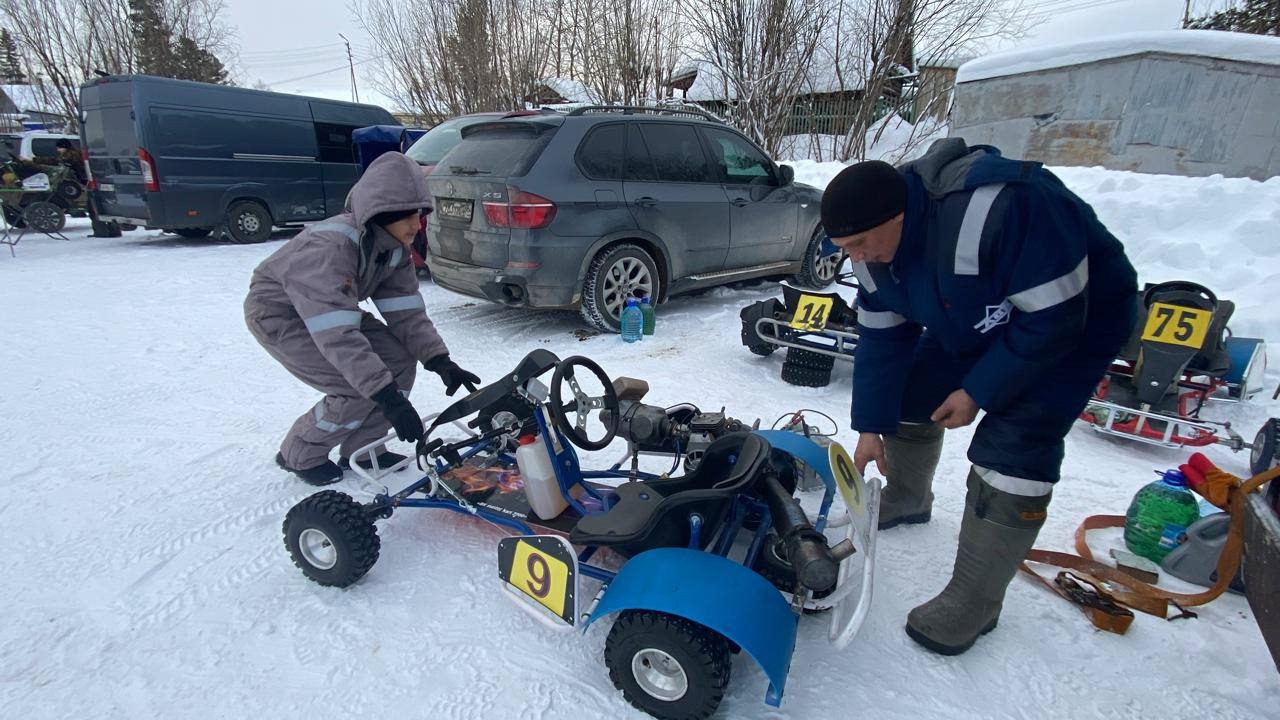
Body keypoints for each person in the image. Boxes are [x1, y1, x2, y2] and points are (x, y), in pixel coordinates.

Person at [821, 138, 1138, 655]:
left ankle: (976, 601)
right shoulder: (873, 248)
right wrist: (870, 425)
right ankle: (908, 496)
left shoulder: (1000, 206)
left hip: (1072, 319)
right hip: (977, 312)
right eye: (846, 250)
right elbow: (883, 338)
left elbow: (1054, 318)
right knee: (907, 390)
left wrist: (977, 390)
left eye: (859, 245)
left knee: (1013, 448)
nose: (856, 259)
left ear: (898, 215)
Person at [244, 151, 479, 485]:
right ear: (382, 212)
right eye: (410, 215)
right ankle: (300, 452)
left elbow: (407, 313)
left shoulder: (392, 248)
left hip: (333, 312)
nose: (418, 224)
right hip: (282, 316)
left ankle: (367, 448)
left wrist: (439, 360)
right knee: (354, 386)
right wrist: (387, 398)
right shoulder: (329, 248)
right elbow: (338, 336)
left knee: (398, 360)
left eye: (422, 213)